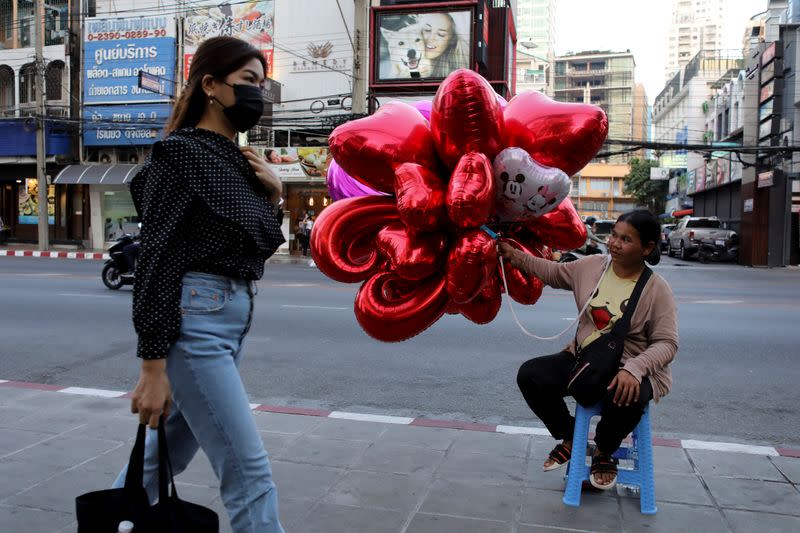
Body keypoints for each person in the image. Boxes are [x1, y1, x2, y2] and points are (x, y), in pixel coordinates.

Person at [112, 36, 286, 533]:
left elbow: (253, 246)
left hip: (230, 320)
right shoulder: (180, 155)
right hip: (198, 323)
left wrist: (274, 193)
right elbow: (157, 259)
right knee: (249, 473)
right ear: (210, 84)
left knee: (157, 463)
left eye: (262, 83)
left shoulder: (239, 161)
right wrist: (152, 365)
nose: (259, 94)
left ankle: (116, 523)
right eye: (248, 82)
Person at [498, 209, 677, 491]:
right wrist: (515, 256)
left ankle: (605, 450)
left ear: (647, 247)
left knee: (628, 394)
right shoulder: (593, 266)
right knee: (530, 375)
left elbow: (667, 343)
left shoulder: (657, 289)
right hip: (584, 359)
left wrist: (635, 369)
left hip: (628, 366)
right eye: (614, 236)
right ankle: (572, 437)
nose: (614, 244)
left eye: (626, 239)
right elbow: (554, 272)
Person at [419, 12, 470, 78]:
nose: (431, 38)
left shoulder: (458, 75)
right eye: (427, 30)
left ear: (452, 40)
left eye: (440, 34)